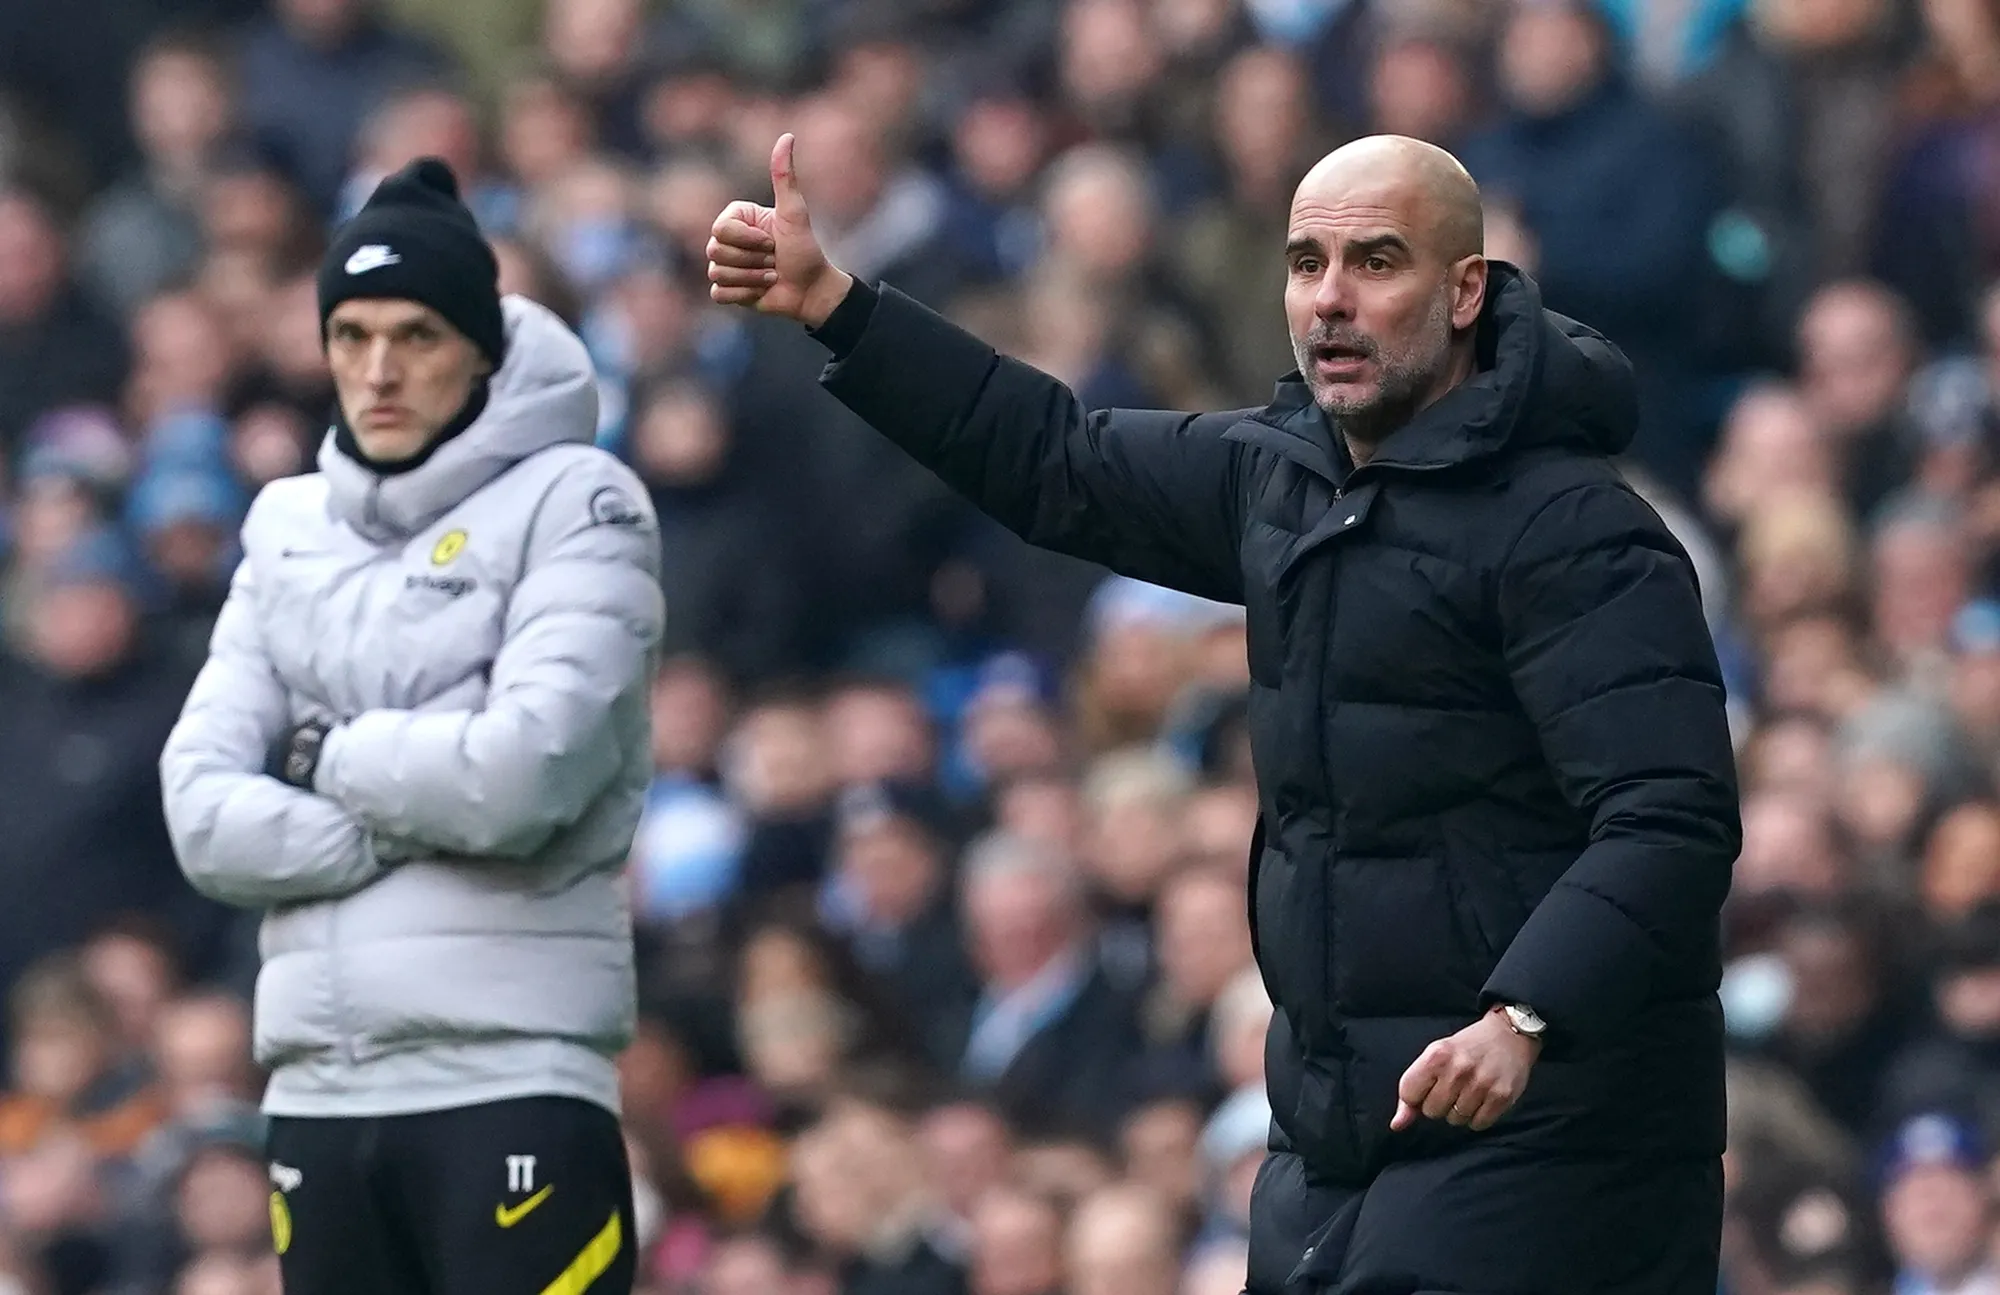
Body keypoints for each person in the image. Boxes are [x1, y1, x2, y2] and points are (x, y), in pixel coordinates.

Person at [706, 132, 1741, 1292]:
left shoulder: (1574, 532)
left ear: (1463, 291)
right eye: (1306, 264)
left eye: (1375, 262)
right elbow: (1055, 456)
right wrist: (840, 309)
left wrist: (1525, 1015)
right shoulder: (1280, 478)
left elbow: (1668, 817)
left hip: (1554, 1133)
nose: (1331, 300)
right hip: (1336, 1140)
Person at [160, 157, 663, 1294]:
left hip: (511, 1078)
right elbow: (200, 807)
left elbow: (518, 775)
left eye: (417, 336)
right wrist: (396, 814)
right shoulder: (284, 523)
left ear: (481, 346)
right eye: (350, 335)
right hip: (315, 1098)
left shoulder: (580, 499)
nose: (378, 370)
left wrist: (321, 754)